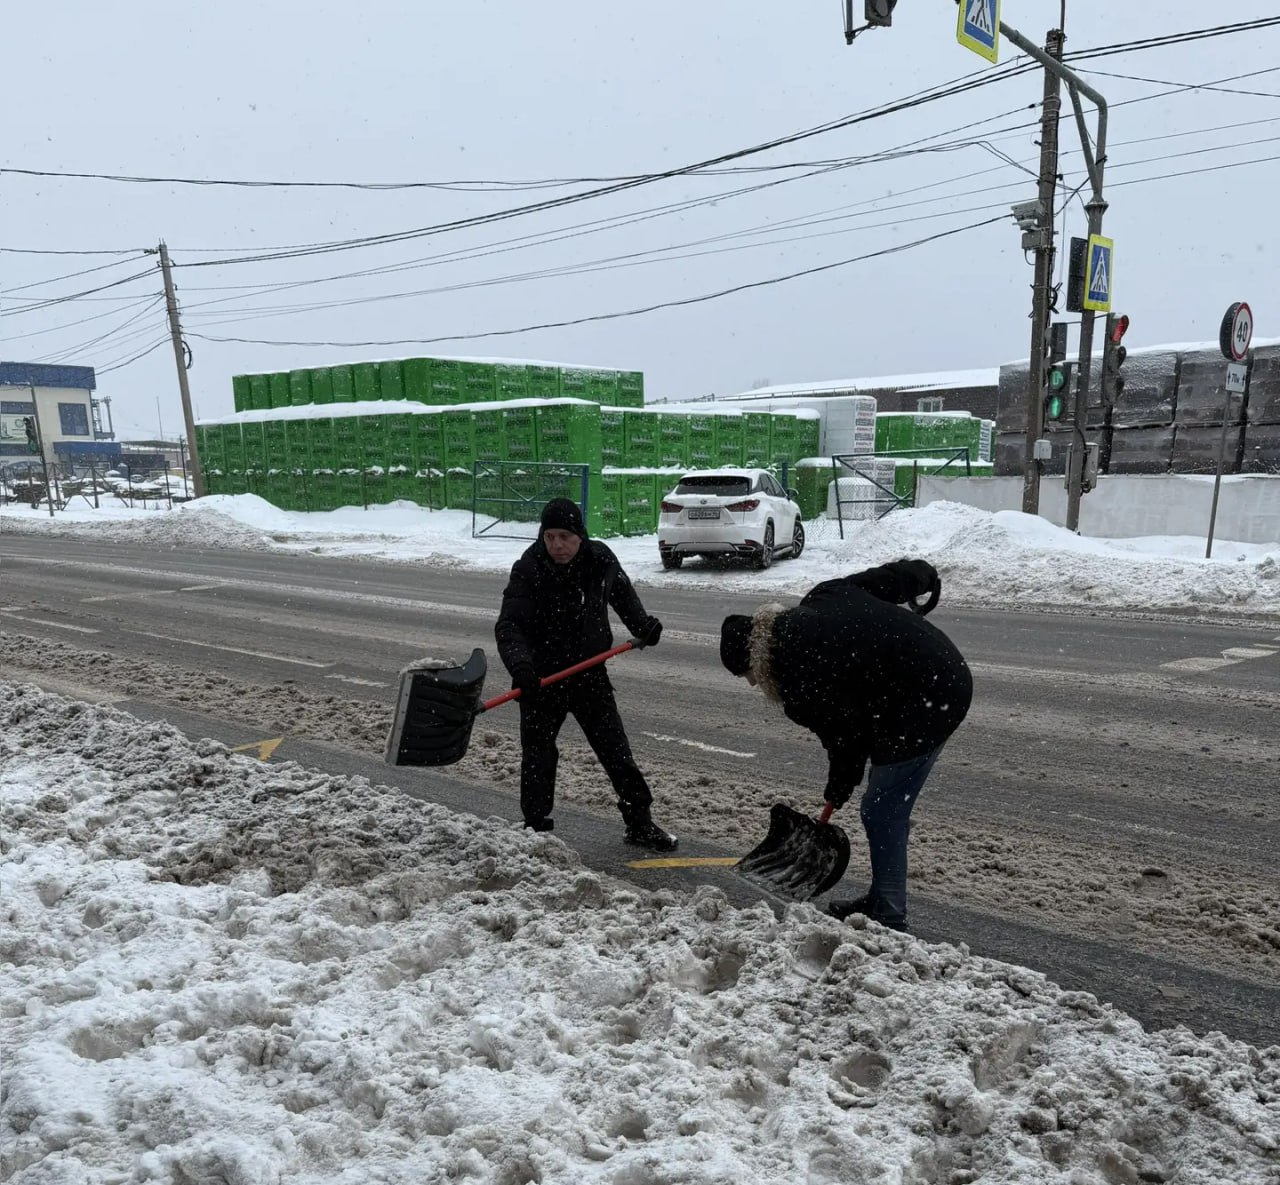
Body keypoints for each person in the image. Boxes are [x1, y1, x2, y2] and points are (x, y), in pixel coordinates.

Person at [718, 558, 971, 931]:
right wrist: (922, 575)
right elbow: (888, 579)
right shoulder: (823, 594)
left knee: (882, 810)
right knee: (882, 799)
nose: (753, 684)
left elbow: (846, 738)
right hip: (940, 666)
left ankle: (889, 915)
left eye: (747, 675)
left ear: (755, 659)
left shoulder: (796, 682)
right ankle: (881, 897)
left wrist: (839, 785)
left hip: (927, 698)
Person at [495, 497, 678, 851]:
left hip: (588, 675)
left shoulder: (600, 560)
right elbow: (509, 626)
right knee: (538, 756)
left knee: (615, 751)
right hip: (541, 680)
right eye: (549, 537)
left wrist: (644, 626)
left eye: (564, 536)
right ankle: (535, 826)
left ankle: (639, 822)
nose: (556, 545)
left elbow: (623, 597)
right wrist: (521, 667)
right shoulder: (529, 568)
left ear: (580, 534)